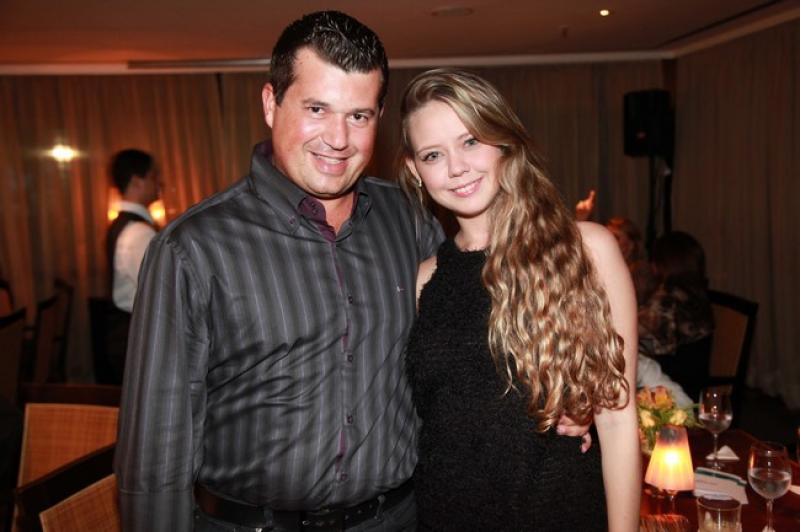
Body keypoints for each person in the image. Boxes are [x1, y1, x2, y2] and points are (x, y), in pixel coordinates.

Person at [114, 12, 589, 532]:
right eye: (317, 109)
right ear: (271, 103)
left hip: (400, 520)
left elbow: (476, 337)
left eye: (359, 116)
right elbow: (154, 459)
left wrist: (564, 394)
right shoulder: (192, 249)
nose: (338, 138)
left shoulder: (410, 221)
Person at [398, 69, 640, 531]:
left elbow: (617, 420)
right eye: (433, 154)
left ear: (503, 142)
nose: (456, 167)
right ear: (416, 170)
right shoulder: (423, 281)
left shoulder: (585, 250)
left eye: (470, 142)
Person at [105, 148, 160, 383]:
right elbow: (160, 289)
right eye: (154, 176)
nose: (159, 183)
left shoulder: (126, 225)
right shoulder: (138, 232)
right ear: (137, 181)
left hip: (127, 336)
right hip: (136, 338)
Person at [638, 231, 714, 399]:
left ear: (660, 265)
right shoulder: (698, 295)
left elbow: (629, 331)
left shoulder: (667, 300)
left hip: (671, 392)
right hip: (695, 384)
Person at [606, 216, 656, 306]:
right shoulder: (606, 267)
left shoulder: (640, 269)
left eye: (616, 238)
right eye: (607, 237)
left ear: (631, 245)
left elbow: (637, 301)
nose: (609, 241)